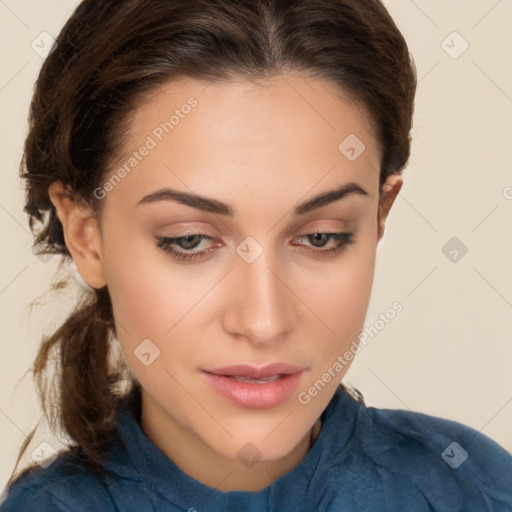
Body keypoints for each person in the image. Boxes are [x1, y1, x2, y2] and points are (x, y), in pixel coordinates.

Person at [1, 0, 511, 510]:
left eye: (321, 237)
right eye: (189, 240)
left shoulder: (474, 489)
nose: (264, 322)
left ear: (380, 213)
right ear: (86, 235)